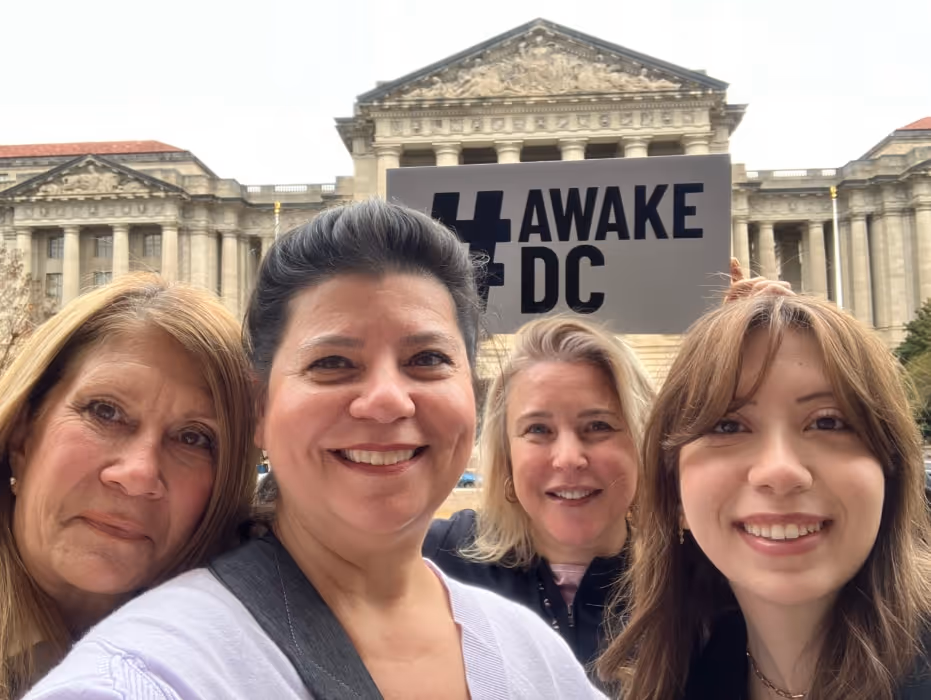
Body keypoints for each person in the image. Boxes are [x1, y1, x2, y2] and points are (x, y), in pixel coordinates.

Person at [26, 200, 605, 699]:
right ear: (259, 411)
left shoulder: (532, 651)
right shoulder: (152, 668)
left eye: (428, 360)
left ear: (471, 393)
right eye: (333, 363)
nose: (386, 400)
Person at [597, 294, 931, 700]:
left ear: (890, 472)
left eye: (828, 421)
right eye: (727, 426)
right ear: (676, 496)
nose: (780, 471)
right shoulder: (667, 681)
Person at [0, 273, 258, 698]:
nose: (138, 475)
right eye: (105, 412)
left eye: (193, 438)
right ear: (23, 434)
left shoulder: (250, 652)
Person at [424, 315, 654, 676]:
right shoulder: (438, 560)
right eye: (538, 429)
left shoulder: (689, 587)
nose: (568, 459)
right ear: (507, 454)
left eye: (598, 426)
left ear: (641, 442)